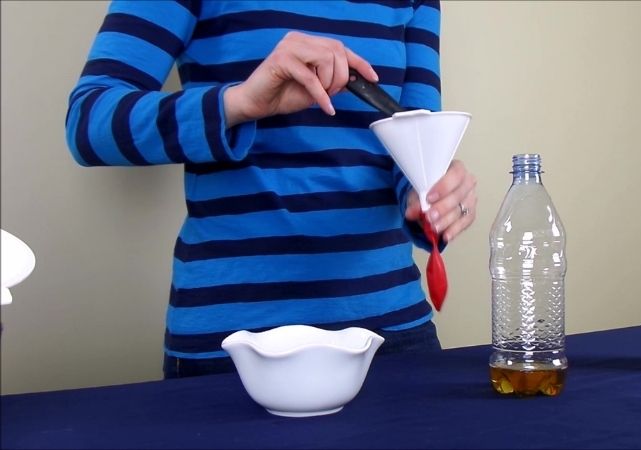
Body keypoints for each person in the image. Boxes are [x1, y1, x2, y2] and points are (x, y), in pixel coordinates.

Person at [65, 0, 477, 378]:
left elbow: (413, 134)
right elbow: (88, 122)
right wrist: (241, 102)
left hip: (390, 331)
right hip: (233, 342)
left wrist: (433, 194)